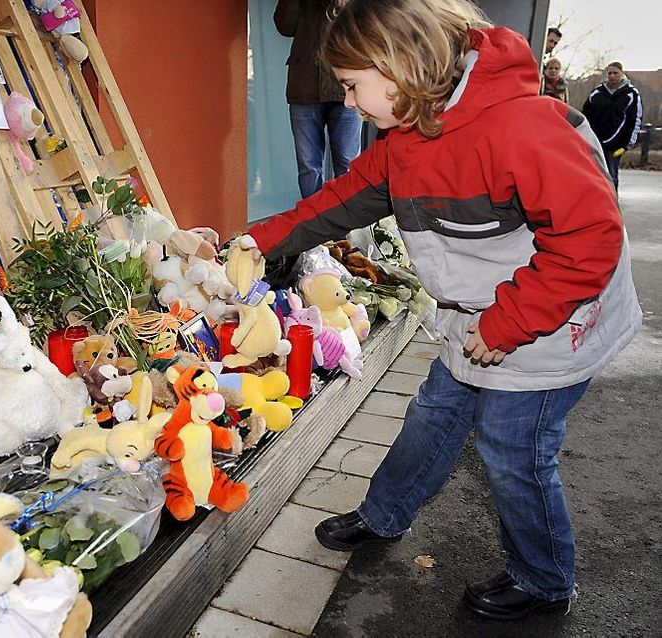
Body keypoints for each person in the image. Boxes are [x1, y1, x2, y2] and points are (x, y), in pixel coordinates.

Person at [244, 0, 641, 622]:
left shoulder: (522, 127)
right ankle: (384, 514)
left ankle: (543, 578)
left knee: (513, 449)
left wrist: (508, 323)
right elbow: (342, 198)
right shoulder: (407, 138)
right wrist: (257, 241)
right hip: (479, 318)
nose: (348, 105)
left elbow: (590, 239)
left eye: (352, 86)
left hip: (549, 325)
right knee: (435, 416)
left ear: (398, 64)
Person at [275, 0, 362, 199]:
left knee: (348, 164)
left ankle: (349, 224)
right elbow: (285, 26)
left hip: (345, 87)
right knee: (308, 167)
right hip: (305, 85)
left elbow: (365, 24)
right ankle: (312, 222)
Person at [582, 62, 643, 190]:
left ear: (622, 74)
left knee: (612, 174)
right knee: (593, 173)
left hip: (616, 143)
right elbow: (585, 115)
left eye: (615, 73)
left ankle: (612, 202)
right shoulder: (597, 93)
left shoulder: (631, 94)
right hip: (595, 141)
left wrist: (630, 141)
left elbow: (635, 118)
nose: (612, 76)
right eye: (609, 73)